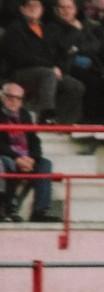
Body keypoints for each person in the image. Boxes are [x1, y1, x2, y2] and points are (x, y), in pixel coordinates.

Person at [2, 0, 85, 124]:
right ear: (22, 9)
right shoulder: (14, 29)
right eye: (29, 5)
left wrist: (58, 67)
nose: (33, 8)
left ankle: (65, 122)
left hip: (47, 71)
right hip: (20, 72)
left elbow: (58, 52)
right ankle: (46, 115)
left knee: (75, 86)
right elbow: (20, 57)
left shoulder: (46, 29)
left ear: (42, 9)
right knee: (48, 74)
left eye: (37, 5)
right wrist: (51, 67)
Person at [0, 81, 55, 222]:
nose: (14, 101)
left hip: (25, 157)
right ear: (2, 96)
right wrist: (17, 157)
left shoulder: (25, 115)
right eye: (10, 97)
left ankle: (40, 212)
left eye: (18, 98)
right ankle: (7, 208)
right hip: (7, 155)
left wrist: (33, 159)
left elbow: (34, 140)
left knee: (45, 164)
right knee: (5, 163)